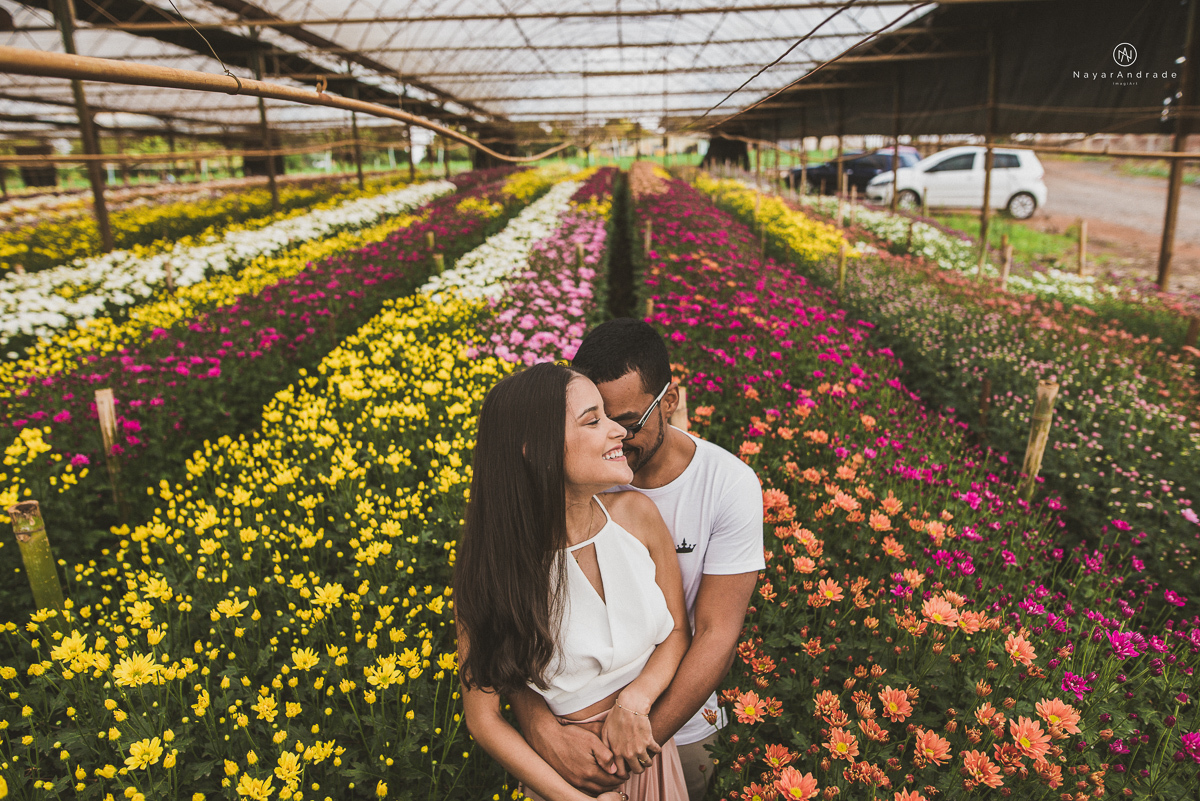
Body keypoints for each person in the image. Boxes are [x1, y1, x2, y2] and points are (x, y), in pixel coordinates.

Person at [511, 319, 765, 801]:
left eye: (627, 423)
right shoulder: (576, 482)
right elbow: (515, 633)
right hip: (568, 742)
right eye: (595, 418)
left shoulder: (727, 485)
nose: (613, 437)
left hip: (679, 727)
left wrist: (634, 742)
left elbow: (716, 634)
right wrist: (544, 730)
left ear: (669, 401)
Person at [455, 362, 693, 801]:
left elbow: (678, 632)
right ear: (537, 450)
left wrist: (634, 701)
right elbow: (483, 719)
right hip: (563, 780)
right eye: (593, 419)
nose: (619, 431)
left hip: (651, 750)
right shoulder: (493, 570)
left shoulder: (638, 517)